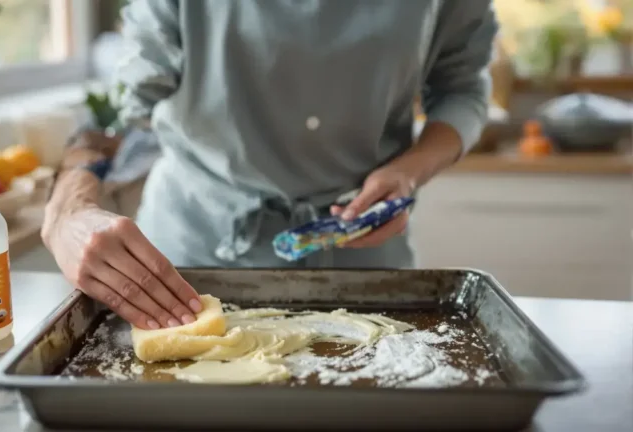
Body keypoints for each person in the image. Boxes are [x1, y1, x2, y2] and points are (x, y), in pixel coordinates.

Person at [42, 1, 498, 331]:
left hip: (363, 258)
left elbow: (463, 89)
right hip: (187, 262)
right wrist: (68, 211)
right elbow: (115, 117)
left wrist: (409, 170)